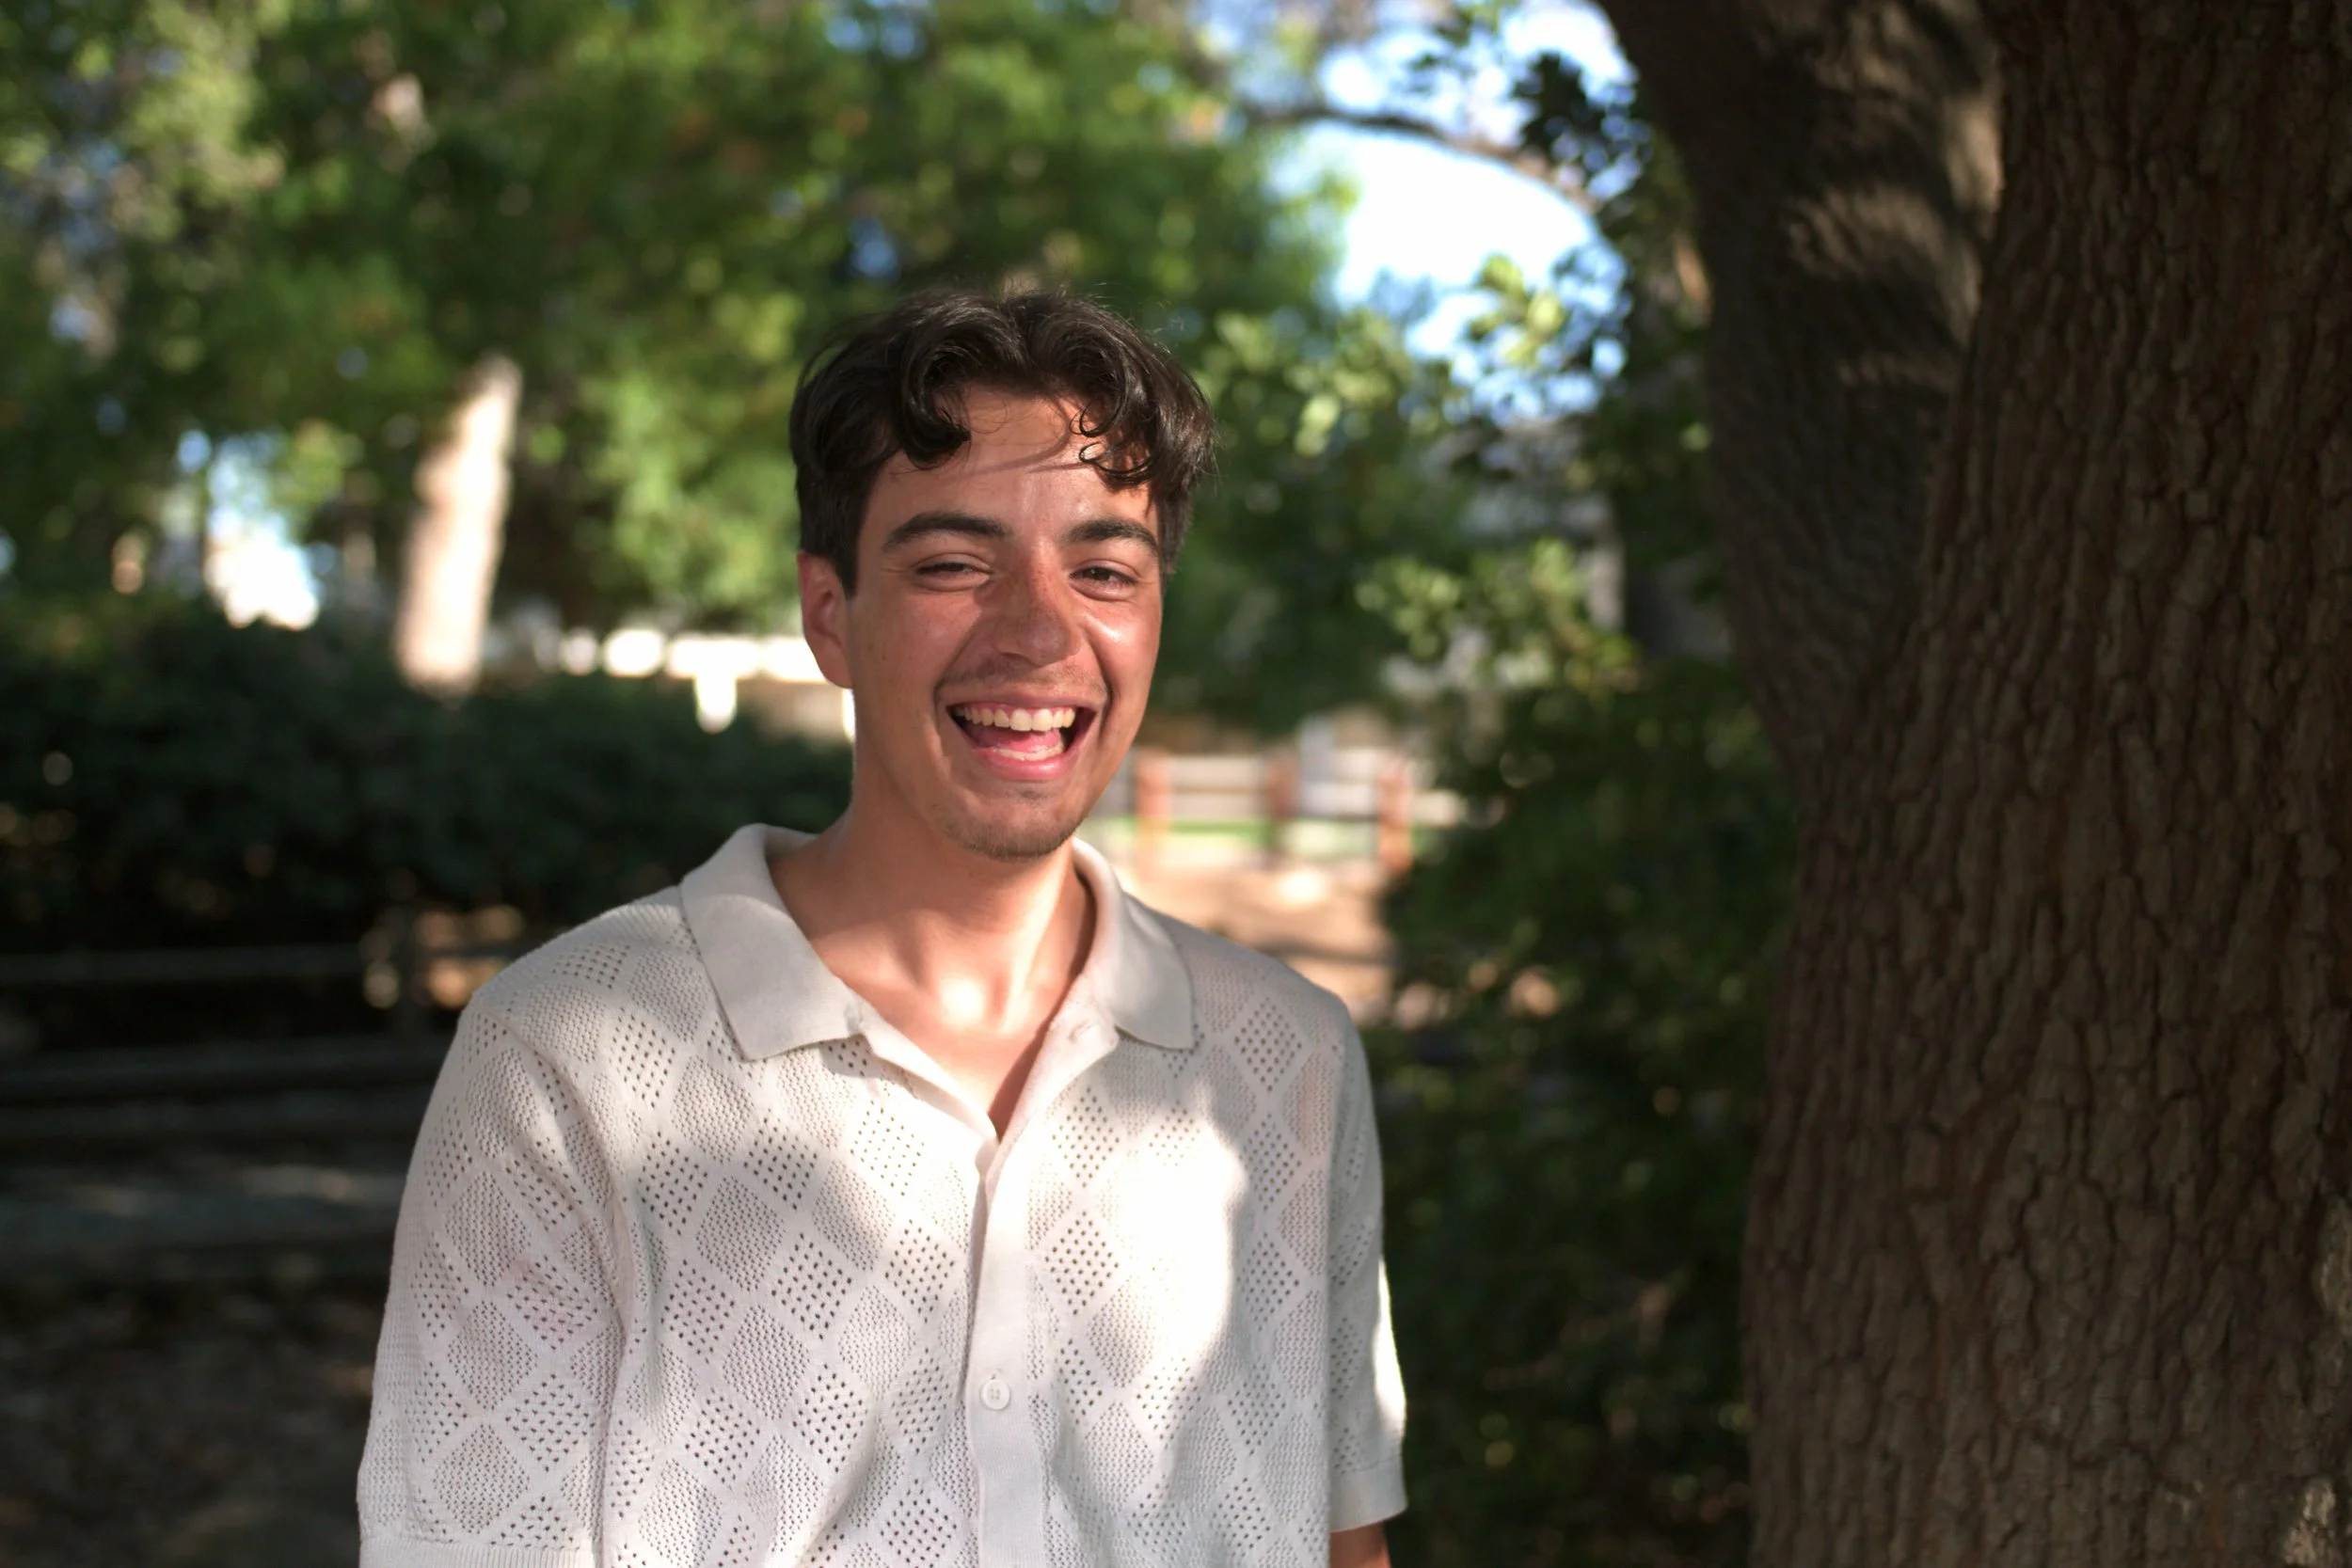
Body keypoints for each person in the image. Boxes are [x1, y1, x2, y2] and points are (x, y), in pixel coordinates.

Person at [358, 290, 1406, 1568]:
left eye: (1103, 570)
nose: (1037, 632)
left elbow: (1344, 1538)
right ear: (828, 616)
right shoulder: (563, 1061)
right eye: (954, 565)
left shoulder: (1286, 1063)